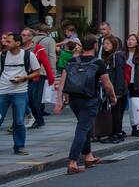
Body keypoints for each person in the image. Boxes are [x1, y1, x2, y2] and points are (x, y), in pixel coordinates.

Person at [57, 41, 117, 175]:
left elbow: (62, 81)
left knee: (86, 126)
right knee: (82, 129)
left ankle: (89, 156)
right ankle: (72, 162)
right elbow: (107, 84)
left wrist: (59, 100)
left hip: (74, 100)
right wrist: (113, 98)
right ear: (95, 46)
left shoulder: (72, 60)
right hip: (89, 100)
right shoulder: (98, 62)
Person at [0, 32, 41, 155]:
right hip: (2, 92)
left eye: (8, 41)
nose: (5, 43)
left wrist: (24, 78)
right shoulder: (2, 55)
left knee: (18, 121)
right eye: (5, 41)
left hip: (19, 92)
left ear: (18, 43)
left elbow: (37, 72)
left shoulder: (29, 55)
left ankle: (19, 146)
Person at [20, 28, 55, 130]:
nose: (23, 36)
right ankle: (33, 120)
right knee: (25, 100)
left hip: (36, 77)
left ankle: (38, 120)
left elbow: (46, 63)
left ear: (31, 37)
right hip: (21, 78)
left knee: (34, 100)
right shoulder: (18, 48)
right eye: (22, 34)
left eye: (26, 35)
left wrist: (51, 76)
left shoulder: (38, 48)